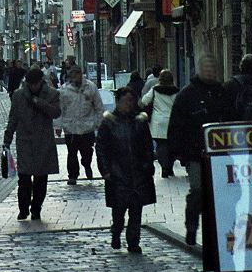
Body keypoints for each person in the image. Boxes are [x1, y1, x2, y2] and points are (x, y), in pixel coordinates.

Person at [167, 53, 226, 246]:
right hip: (195, 153)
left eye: (212, 68)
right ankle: (191, 227)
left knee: (220, 192)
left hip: (221, 154)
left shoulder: (222, 93)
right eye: (206, 68)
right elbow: (176, 124)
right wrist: (178, 152)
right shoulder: (187, 94)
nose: (209, 72)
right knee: (198, 191)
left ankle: (219, 231)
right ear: (199, 70)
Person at [96, 86, 156, 253]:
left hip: (138, 173)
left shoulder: (139, 122)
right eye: (125, 101)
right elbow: (101, 148)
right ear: (118, 102)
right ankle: (116, 232)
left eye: (131, 101)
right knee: (119, 211)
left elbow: (147, 147)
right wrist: (106, 170)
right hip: (118, 174)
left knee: (136, 211)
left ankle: (133, 242)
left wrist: (148, 164)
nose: (128, 105)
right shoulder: (109, 122)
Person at [3, 67, 61, 221]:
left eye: (35, 84)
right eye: (30, 84)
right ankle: (23, 209)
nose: (33, 87)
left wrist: (39, 102)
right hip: (25, 141)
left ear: (41, 82)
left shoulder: (52, 94)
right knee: (24, 178)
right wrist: (7, 140)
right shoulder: (19, 95)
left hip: (44, 141)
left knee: (41, 179)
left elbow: (56, 112)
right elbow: (13, 118)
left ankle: (36, 209)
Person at [57, 66, 104, 184]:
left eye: (77, 74)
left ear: (81, 74)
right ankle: (72, 175)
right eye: (73, 75)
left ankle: (87, 165)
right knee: (72, 153)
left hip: (87, 127)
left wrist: (99, 122)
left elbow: (98, 106)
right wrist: (58, 126)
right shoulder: (64, 90)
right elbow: (60, 109)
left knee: (87, 151)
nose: (75, 78)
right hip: (70, 128)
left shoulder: (90, 87)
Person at [140, 69, 179, 177]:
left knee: (161, 146)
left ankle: (164, 167)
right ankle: (170, 166)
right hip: (171, 121)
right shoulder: (176, 91)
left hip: (158, 122)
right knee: (171, 146)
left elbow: (144, 101)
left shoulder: (155, 90)